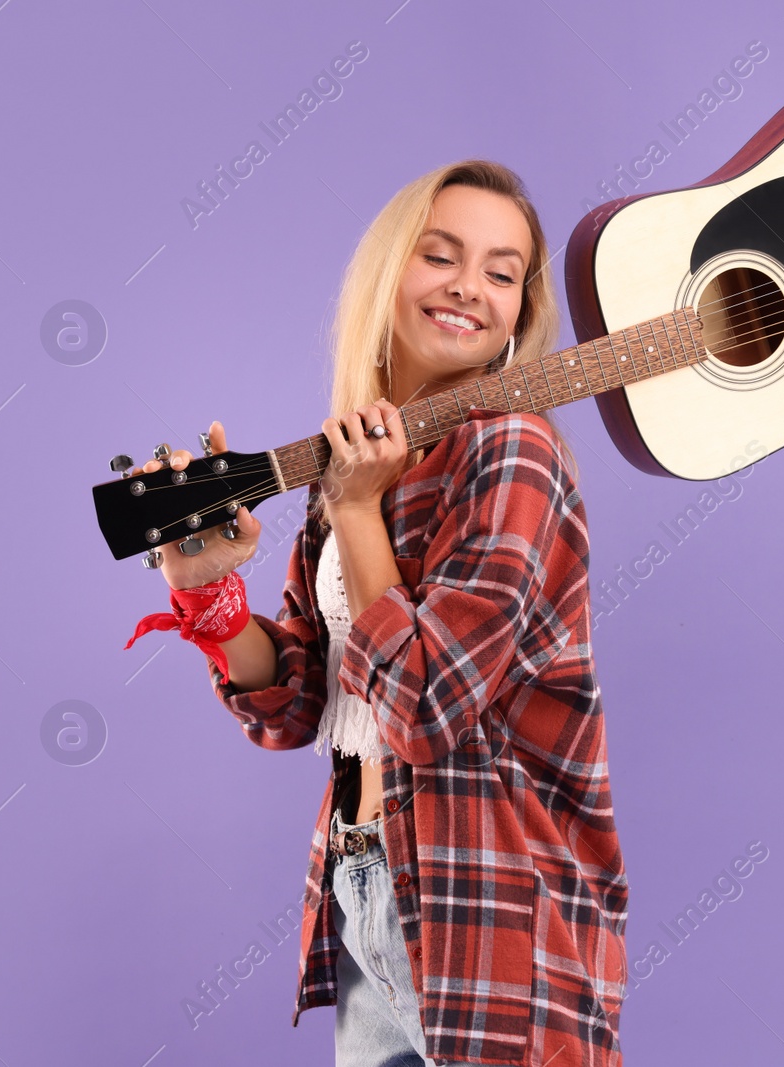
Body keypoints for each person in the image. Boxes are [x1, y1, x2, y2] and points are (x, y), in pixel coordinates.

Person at [123, 159, 629, 1067]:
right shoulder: (358, 459)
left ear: (520, 308)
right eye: (441, 255)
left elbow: (428, 709)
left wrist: (359, 509)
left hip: (494, 909)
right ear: (387, 272)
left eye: (502, 272)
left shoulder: (512, 450)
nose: (470, 286)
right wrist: (207, 591)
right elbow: (299, 704)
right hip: (366, 887)